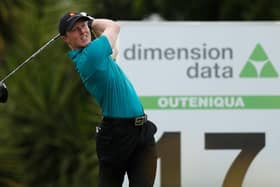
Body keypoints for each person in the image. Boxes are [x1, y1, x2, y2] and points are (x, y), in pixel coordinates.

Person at [58, 11, 158, 187]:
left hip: (142, 132)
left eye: (83, 26)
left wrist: (88, 23)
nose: (83, 31)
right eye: (75, 29)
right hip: (116, 135)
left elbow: (114, 50)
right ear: (65, 38)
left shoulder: (96, 55)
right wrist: (91, 20)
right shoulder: (91, 57)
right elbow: (113, 26)